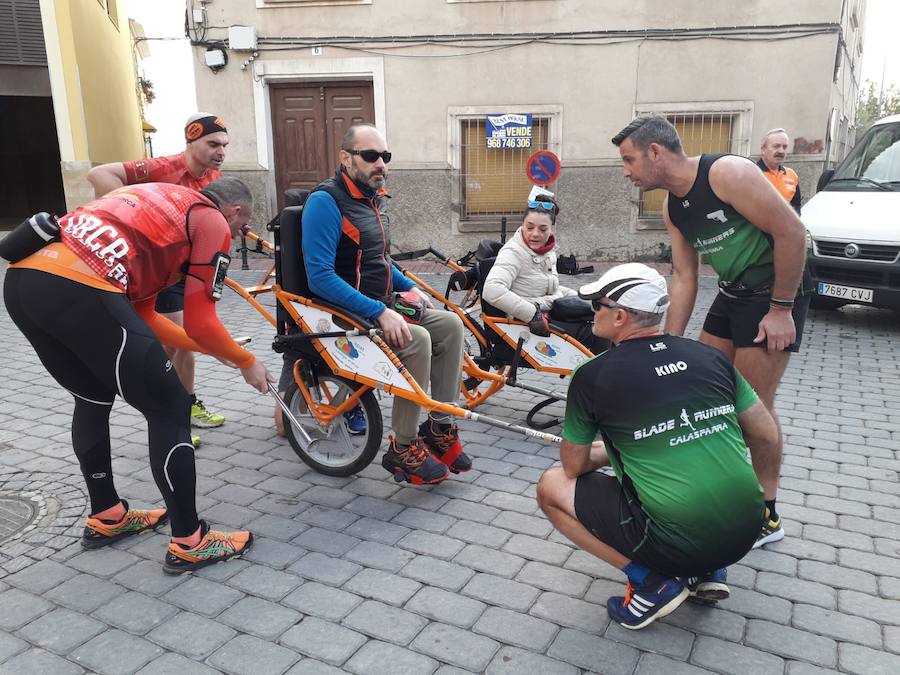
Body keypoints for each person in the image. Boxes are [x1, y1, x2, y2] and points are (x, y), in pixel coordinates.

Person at [4, 176, 271, 574]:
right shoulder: (211, 220)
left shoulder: (160, 202)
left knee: (92, 398)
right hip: (79, 286)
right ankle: (190, 541)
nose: (234, 236)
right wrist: (246, 360)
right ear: (233, 212)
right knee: (171, 406)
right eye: (241, 227)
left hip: (24, 282)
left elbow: (145, 316)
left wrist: (215, 352)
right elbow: (201, 322)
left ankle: (108, 515)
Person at [537, 263, 777, 630]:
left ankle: (650, 584)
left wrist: (613, 449)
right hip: (747, 530)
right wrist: (700, 435)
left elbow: (572, 467)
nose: (593, 313)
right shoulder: (709, 356)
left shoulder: (593, 375)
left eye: (597, 305)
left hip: (678, 538)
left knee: (550, 487)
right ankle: (708, 570)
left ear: (619, 316)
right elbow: (765, 433)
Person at [611, 114, 809, 548]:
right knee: (703, 393)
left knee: (752, 408)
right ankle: (716, 495)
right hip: (733, 292)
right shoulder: (672, 205)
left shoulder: (727, 173)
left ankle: (767, 514)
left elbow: (793, 232)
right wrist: (667, 343)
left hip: (773, 293)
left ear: (655, 152)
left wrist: (780, 309)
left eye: (629, 160)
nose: (626, 172)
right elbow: (684, 277)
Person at [299, 123, 472, 485]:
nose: (380, 163)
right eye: (371, 156)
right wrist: (379, 310)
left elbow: (380, 261)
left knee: (451, 324)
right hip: (341, 311)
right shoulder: (325, 202)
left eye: (385, 156)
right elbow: (319, 277)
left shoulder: (373, 200)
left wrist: (410, 288)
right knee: (418, 340)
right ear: (346, 158)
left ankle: (439, 427)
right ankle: (402, 448)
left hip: (378, 304)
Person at [87, 113, 231, 446]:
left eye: (224, 144)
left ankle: (186, 405)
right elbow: (99, 174)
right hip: (159, 270)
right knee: (174, 341)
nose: (220, 151)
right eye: (212, 144)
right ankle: (166, 412)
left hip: (189, 267)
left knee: (186, 342)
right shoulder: (162, 167)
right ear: (191, 142)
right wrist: (134, 214)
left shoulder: (214, 177)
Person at [481, 195, 607, 353]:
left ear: (552, 229)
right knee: (599, 333)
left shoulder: (546, 251)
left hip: (546, 310)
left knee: (601, 319)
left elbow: (551, 288)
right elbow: (492, 289)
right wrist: (532, 315)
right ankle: (596, 375)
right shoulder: (513, 252)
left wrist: (582, 298)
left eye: (542, 229)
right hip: (523, 322)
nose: (535, 234)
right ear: (522, 225)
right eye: (530, 227)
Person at [757, 128, 802, 214]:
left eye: (784, 147)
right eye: (776, 146)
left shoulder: (791, 175)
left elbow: (796, 207)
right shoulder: (752, 172)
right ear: (763, 149)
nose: (781, 151)